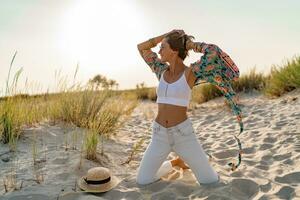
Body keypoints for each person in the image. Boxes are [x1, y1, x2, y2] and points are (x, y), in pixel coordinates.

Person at [135, 29, 220, 186]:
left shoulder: (191, 73)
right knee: (143, 180)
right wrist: (167, 34)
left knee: (209, 181)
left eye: (163, 47)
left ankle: (187, 159)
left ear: (174, 51)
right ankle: (176, 163)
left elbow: (213, 52)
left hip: (183, 135)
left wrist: (190, 45)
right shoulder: (160, 70)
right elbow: (142, 48)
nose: (159, 51)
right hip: (159, 134)